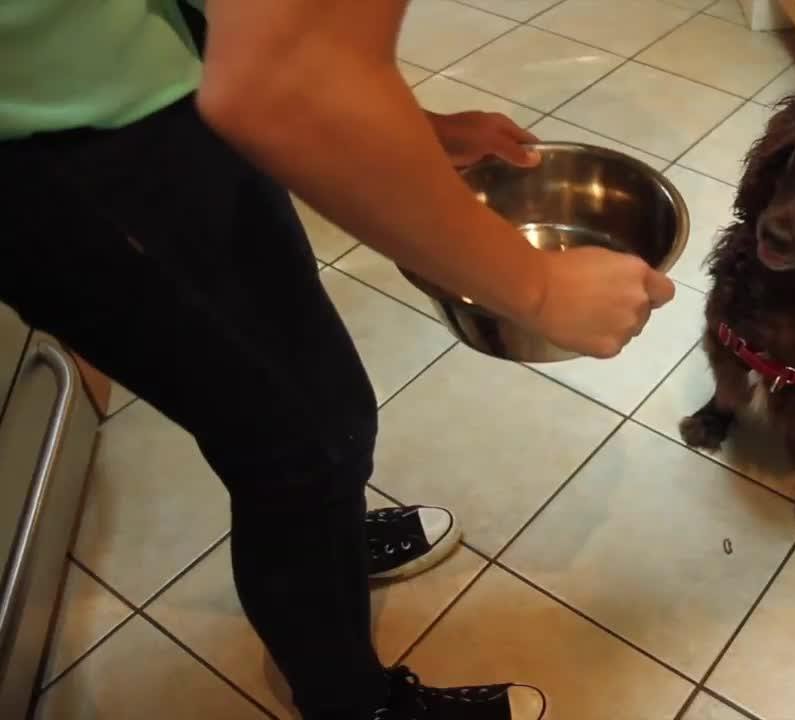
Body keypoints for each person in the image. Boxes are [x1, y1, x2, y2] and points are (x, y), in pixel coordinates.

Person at [0, 1, 676, 718]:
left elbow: (275, 45)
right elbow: (274, 84)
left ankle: (327, 551)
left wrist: (401, 124)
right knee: (303, 445)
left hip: (155, 67)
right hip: (59, 141)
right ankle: (347, 700)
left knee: (306, 409)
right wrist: (537, 288)